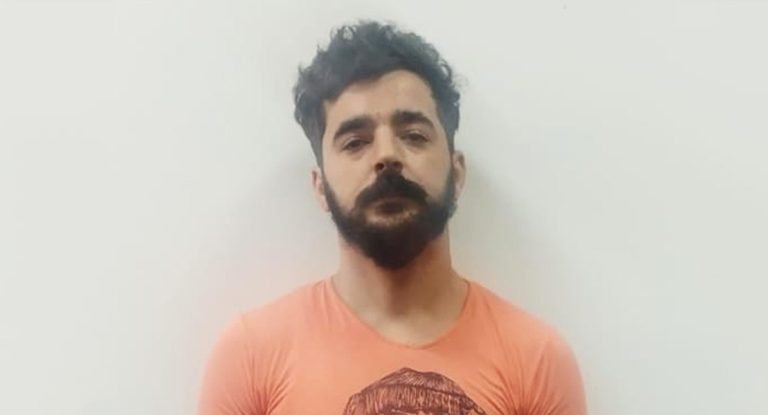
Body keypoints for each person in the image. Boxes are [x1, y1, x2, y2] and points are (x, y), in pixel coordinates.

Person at [198, 21, 587, 415]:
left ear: (456, 174)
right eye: (355, 142)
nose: (387, 155)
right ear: (320, 186)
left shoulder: (536, 360)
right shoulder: (251, 357)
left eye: (414, 135)